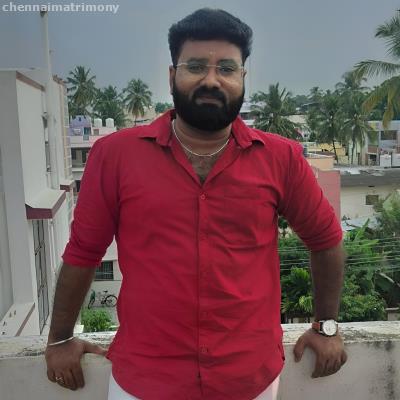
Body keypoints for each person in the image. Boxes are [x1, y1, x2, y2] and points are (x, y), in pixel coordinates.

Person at [45, 8, 347, 400]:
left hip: (248, 380)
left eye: (227, 68)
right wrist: (59, 338)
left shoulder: (281, 158)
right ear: (172, 75)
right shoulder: (115, 156)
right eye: (196, 66)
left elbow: (325, 240)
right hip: (144, 379)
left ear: (242, 78)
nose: (211, 80)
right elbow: (84, 252)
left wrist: (326, 325)